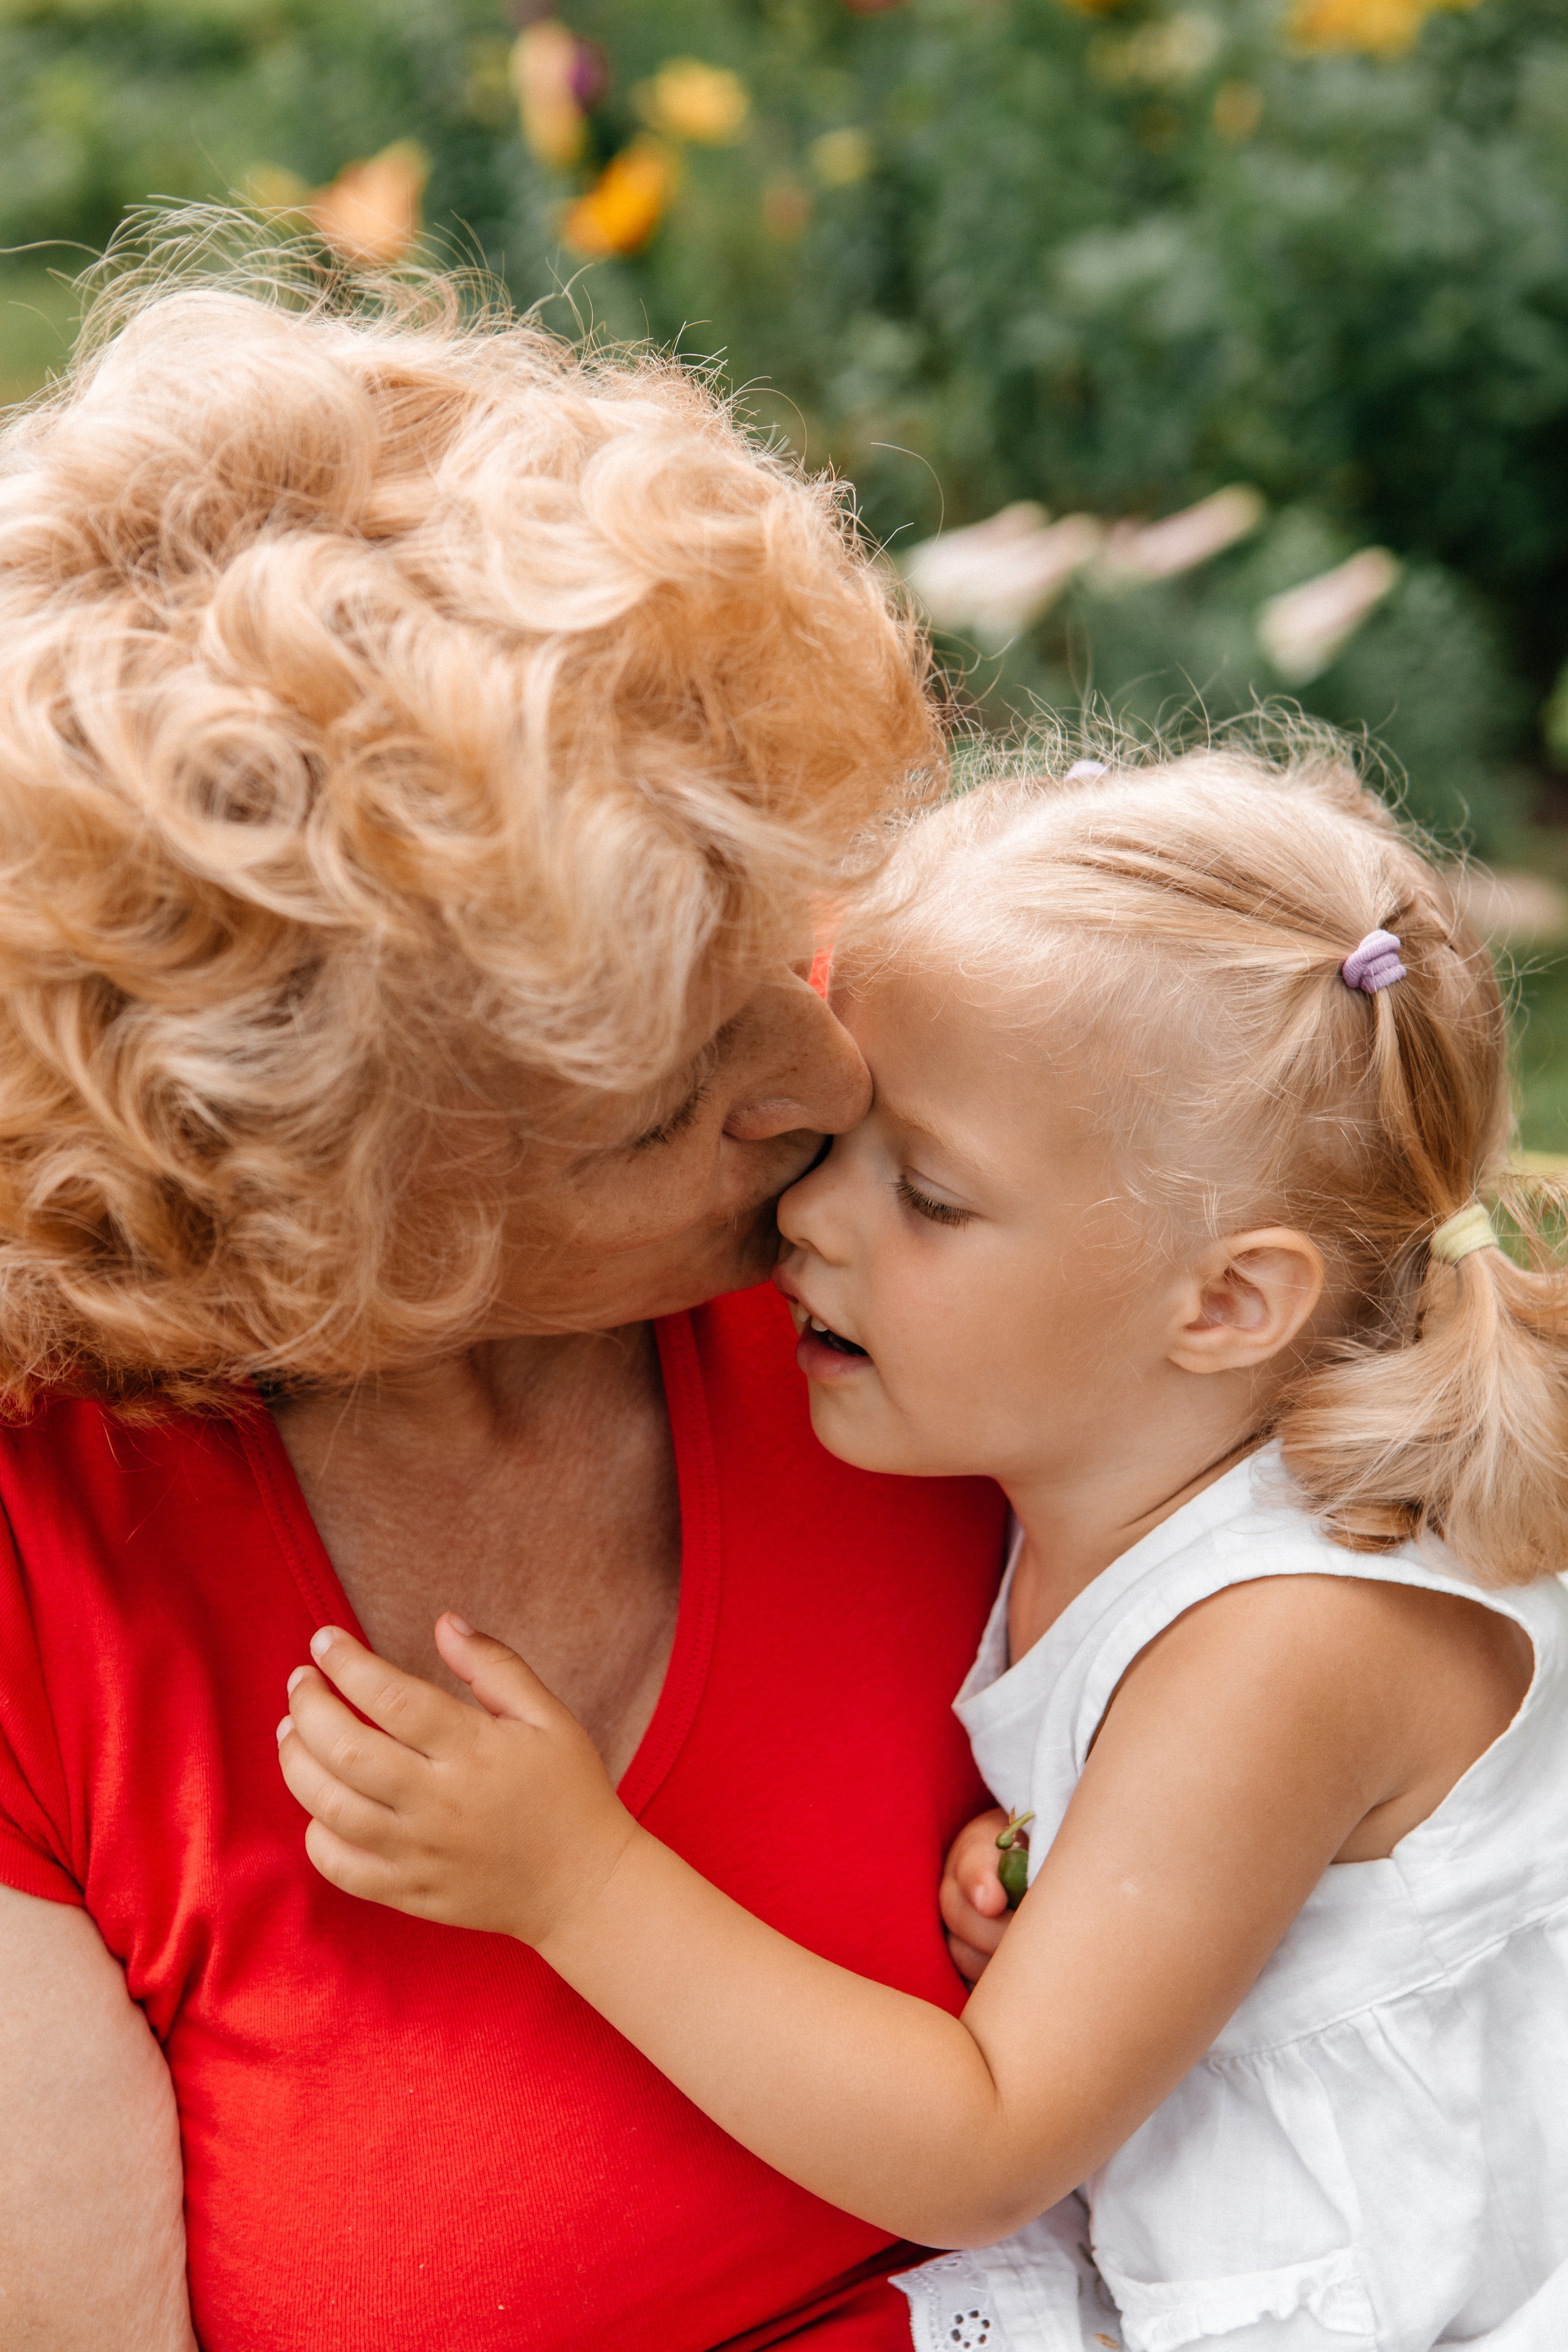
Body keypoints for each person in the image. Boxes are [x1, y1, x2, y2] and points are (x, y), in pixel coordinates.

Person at [0, 225, 1009, 2351]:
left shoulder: (950, 1181)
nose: (825, 1078)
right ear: (323, 1224)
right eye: (668, 1105)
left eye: (782, 950)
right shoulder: (47, 1581)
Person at [279, 737, 1568, 2352]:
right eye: (842, 1143)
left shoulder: (1284, 1642)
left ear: (1229, 1302)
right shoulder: (1138, 1512)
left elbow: (985, 2149)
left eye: (932, 1196)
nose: (811, 1215)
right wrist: (1066, 1861)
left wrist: (573, 1882)